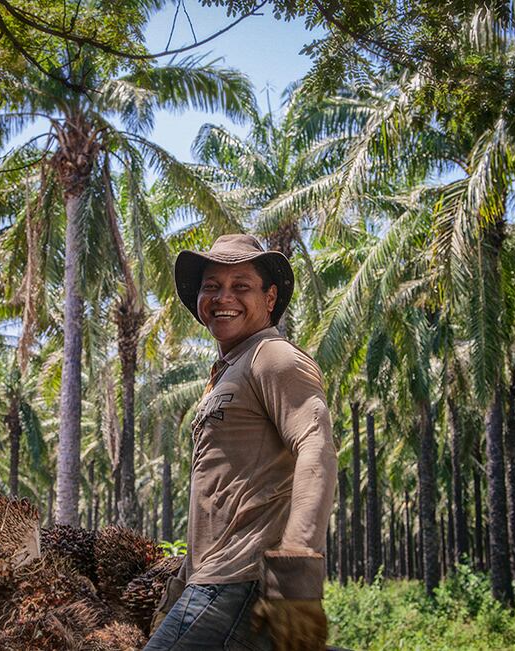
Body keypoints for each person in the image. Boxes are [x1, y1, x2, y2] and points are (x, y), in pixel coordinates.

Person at [144, 234, 338, 651]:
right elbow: (216, 497)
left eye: (241, 286)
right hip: (213, 579)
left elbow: (316, 447)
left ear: (270, 298)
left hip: (241, 579)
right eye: (211, 286)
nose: (222, 297)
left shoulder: (273, 357)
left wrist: (296, 575)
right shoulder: (228, 372)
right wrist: (178, 589)